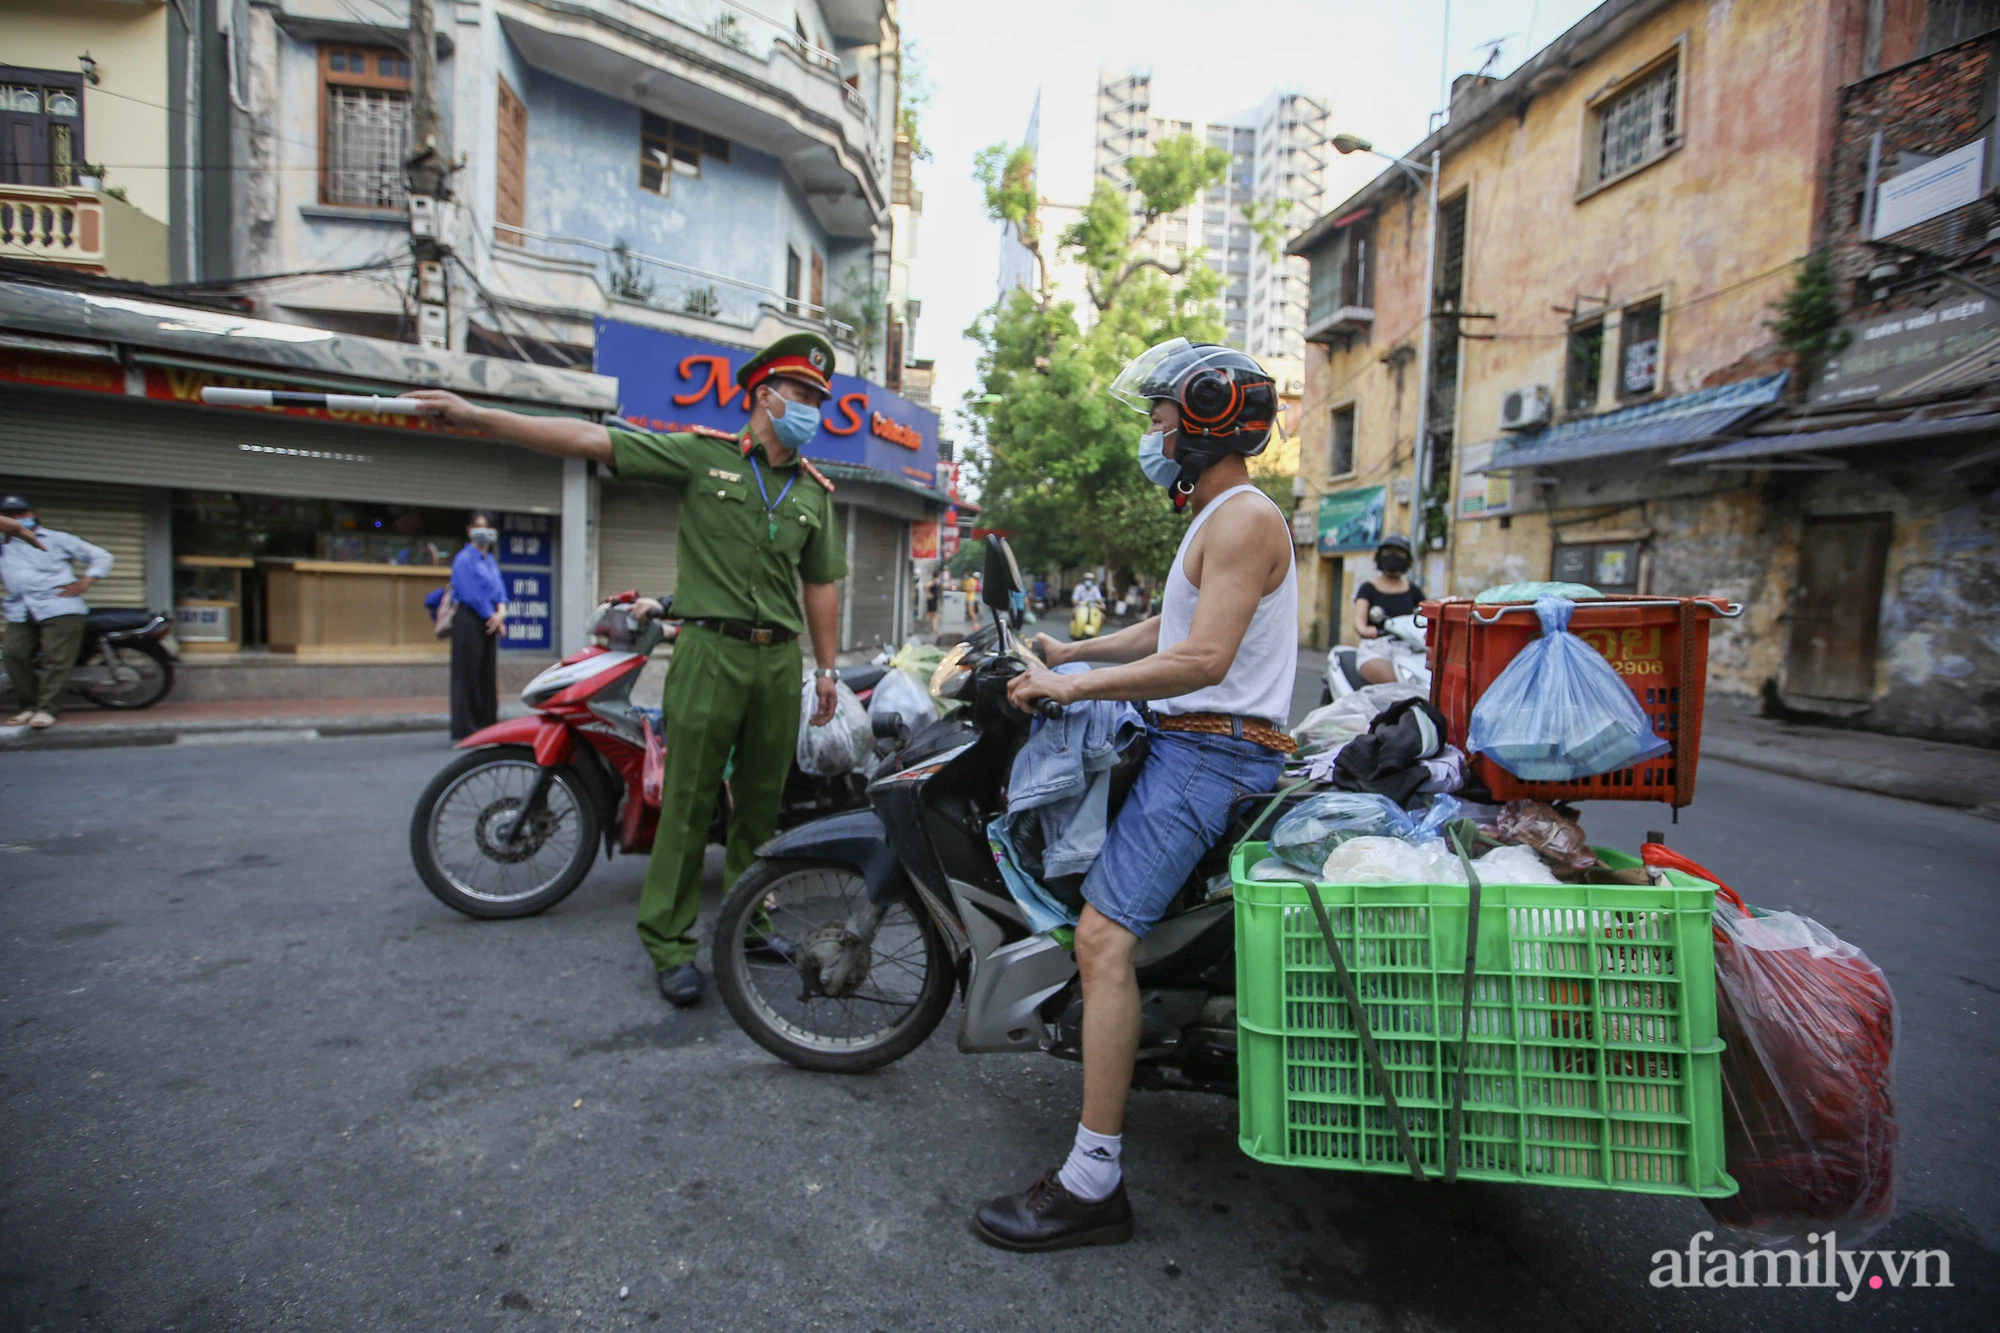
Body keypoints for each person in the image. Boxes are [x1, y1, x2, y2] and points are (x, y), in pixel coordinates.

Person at [406, 332, 847, 1008]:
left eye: (822, 397)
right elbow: (589, 441)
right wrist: (478, 416)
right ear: (765, 394)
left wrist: (826, 670)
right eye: (805, 394)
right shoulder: (704, 457)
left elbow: (822, 586)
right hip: (708, 653)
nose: (816, 407)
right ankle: (669, 944)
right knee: (689, 803)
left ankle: (751, 923)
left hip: (779, 661)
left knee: (762, 809)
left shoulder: (814, 493)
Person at [976, 339, 1296, 1251]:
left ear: (1204, 418)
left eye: (1160, 416)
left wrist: (1071, 689)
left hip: (1213, 753)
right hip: (1187, 739)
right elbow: (1175, 622)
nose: (1151, 432)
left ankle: (1092, 1181)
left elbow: (1203, 659)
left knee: (1102, 938)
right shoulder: (1218, 515)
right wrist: (1079, 651)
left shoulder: (1242, 518)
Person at [1, 493, 114, 731]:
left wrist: (85, 582)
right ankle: (29, 706)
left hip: (60, 606)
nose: (16, 519)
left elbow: (101, 555)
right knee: (13, 654)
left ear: (34, 514)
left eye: (21, 513)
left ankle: (47, 709)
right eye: (9, 515)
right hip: (20, 609)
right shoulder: (3, 546)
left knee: (57, 658)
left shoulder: (56, 539)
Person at [447, 512, 508, 740]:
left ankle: (486, 724)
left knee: (486, 673)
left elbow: (499, 589)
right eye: (478, 526)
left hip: (490, 619)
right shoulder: (464, 559)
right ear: (469, 530)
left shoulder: (489, 559)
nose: (483, 531)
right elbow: (471, 593)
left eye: (487, 526)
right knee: (467, 674)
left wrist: (501, 612)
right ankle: (466, 728)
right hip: (470, 619)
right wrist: (491, 615)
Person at [1353, 534, 1425, 684]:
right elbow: (1359, 619)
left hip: (1408, 650)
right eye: (1388, 551)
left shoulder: (1413, 591)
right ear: (1379, 556)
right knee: (1396, 684)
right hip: (1376, 649)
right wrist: (1365, 630)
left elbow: (1426, 617)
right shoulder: (1368, 588)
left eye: (1399, 552)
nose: (1393, 556)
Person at [925, 566, 943, 637]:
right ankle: (933, 629)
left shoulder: (937, 582)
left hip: (934, 600)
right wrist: (929, 594)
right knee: (932, 614)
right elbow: (926, 586)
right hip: (932, 600)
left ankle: (934, 629)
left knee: (933, 615)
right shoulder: (933, 581)